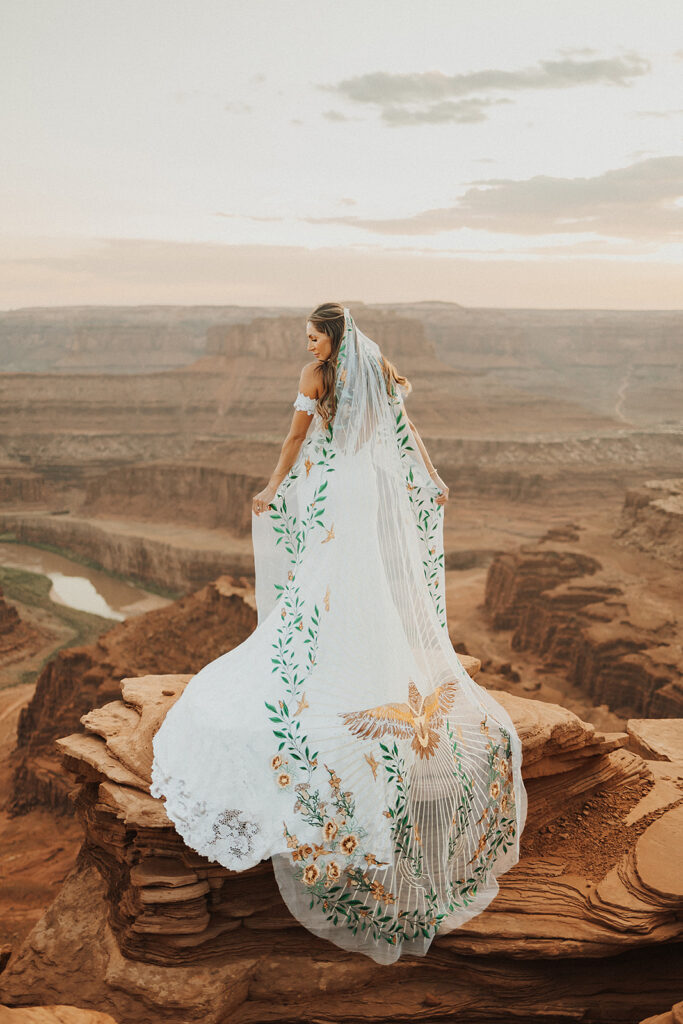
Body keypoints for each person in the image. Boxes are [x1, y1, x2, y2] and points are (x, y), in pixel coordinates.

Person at [151, 303, 527, 965]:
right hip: (368, 488)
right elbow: (405, 435)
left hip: (329, 486)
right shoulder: (375, 366)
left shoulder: (317, 374)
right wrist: (430, 480)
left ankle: (325, 666)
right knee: (361, 582)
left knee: (318, 585)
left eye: (313, 335)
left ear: (332, 338)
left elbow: (295, 441)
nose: (307, 343)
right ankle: (357, 662)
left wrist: (273, 488)